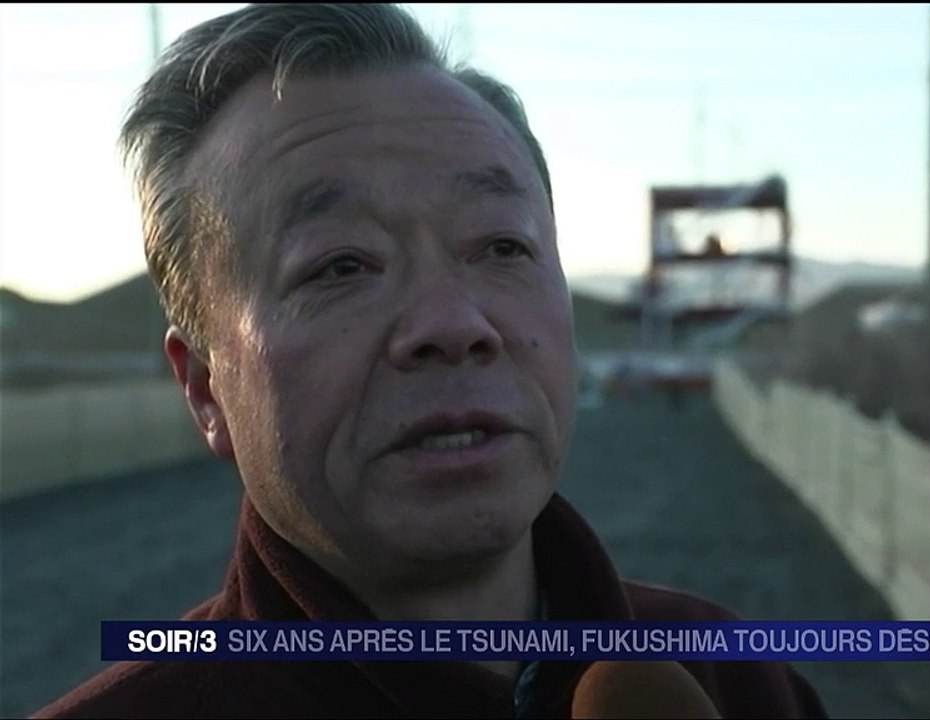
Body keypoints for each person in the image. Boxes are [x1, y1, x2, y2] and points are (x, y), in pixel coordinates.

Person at [35, 4, 827, 718]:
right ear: (205, 389)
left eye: (502, 246)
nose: (454, 324)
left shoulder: (734, 678)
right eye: (341, 265)